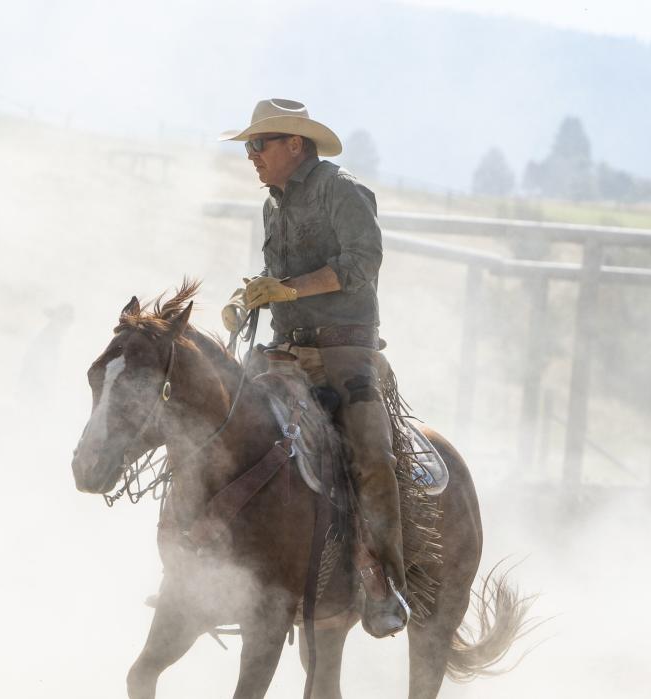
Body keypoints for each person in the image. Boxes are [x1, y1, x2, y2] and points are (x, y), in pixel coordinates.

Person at [218, 98, 408, 638]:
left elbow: (362, 263)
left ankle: (382, 582)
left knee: (370, 453)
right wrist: (248, 295)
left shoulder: (340, 189)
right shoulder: (272, 205)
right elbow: (276, 272)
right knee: (224, 425)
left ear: (293, 144)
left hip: (344, 352)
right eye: (249, 146)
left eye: (259, 144)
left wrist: (289, 288)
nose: (251, 156)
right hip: (284, 350)